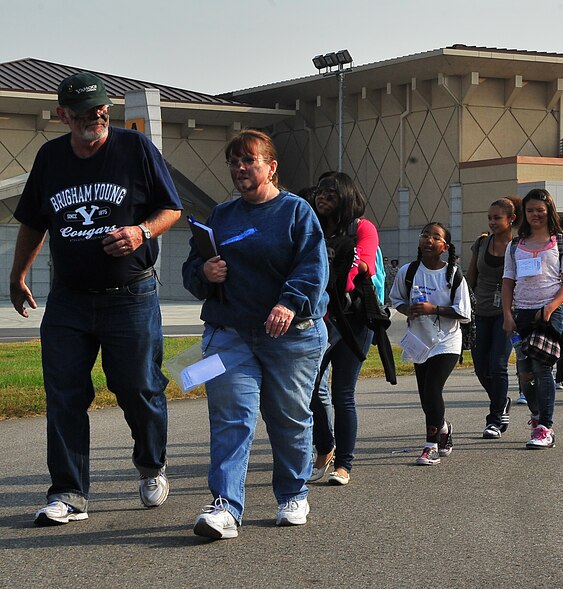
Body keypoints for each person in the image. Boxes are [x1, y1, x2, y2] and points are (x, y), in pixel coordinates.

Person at [10, 72, 182, 526]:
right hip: (69, 299)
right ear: (64, 115)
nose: (98, 116)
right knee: (64, 393)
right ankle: (68, 492)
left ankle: (151, 465)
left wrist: (140, 231)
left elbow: (171, 208)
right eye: (87, 112)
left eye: (103, 109)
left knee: (138, 388)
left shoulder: (135, 148)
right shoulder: (50, 158)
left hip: (131, 296)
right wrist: (18, 274)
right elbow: (33, 222)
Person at [182, 130, 328, 539]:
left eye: (249, 160)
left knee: (289, 418)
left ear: (271, 167)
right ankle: (225, 507)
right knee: (231, 419)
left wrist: (289, 303)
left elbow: (313, 267)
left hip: (291, 335)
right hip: (230, 334)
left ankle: (293, 494)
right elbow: (193, 269)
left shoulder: (296, 212)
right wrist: (204, 272)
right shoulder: (221, 215)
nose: (240, 168)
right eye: (234, 162)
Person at [307, 172, 379, 486]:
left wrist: (331, 269)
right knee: (309, 387)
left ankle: (344, 464)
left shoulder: (362, 228)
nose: (322, 197)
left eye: (331, 193)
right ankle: (325, 446)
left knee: (343, 393)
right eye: (320, 191)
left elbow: (360, 269)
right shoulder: (310, 225)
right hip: (318, 319)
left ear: (346, 197)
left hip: (352, 321)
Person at [390, 222, 471, 465]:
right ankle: (443, 427)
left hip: (447, 341)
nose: (429, 240)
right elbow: (397, 300)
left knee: (433, 389)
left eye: (436, 237)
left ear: (444, 247)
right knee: (426, 396)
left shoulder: (453, 274)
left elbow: (463, 312)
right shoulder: (408, 272)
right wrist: (408, 310)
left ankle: (431, 446)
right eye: (425, 235)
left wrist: (433, 309)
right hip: (420, 341)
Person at [502, 189, 563, 447]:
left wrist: (550, 307)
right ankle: (536, 414)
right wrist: (507, 314)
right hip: (521, 312)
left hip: (550, 313)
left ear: (549, 212)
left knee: (542, 367)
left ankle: (545, 427)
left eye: (540, 210)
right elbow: (508, 282)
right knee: (524, 373)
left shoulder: (562, 243)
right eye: (530, 210)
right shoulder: (515, 245)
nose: (535, 214)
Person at [465, 197, 520, 440]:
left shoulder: (518, 246)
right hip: (480, 311)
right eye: (490, 218)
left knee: (498, 364)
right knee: (481, 367)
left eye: (497, 218)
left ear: (511, 219)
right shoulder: (481, 243)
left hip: (505, 313)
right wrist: (464, 306)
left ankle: (495, 419)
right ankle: (501, 400)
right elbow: (471, 276)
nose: (492, 222)